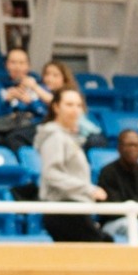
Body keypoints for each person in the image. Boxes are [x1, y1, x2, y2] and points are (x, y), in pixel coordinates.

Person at [37, 88, 110, 243]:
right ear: (56, 107)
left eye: (78, 105)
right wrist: (88, 189)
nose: (75, 110)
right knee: (104, 248)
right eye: (69, 104)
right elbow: (51, 174)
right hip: (64, 210)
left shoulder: (68, 137)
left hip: (75, 209)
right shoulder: (54, 136)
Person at [97, 129, 138, 241]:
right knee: (131, 226)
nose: (133, 149)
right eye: (129, 145)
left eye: (137, 145)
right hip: (117, 224)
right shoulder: (108, 172)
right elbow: (113, 211)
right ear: (119, 148)